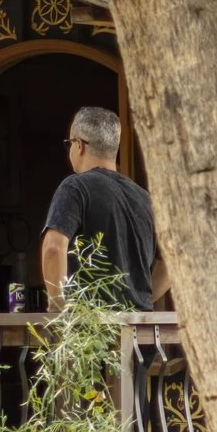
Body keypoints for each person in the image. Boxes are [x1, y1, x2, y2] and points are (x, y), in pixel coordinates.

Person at [40, 105, 167, 311]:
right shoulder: (145, 199)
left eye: (69, 144)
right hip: (140, 335)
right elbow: (170, 265)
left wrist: (58, 307)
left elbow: (54, 248)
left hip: (90, 333)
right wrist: (139, 301)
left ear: (79, 145)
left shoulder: (75, 188)